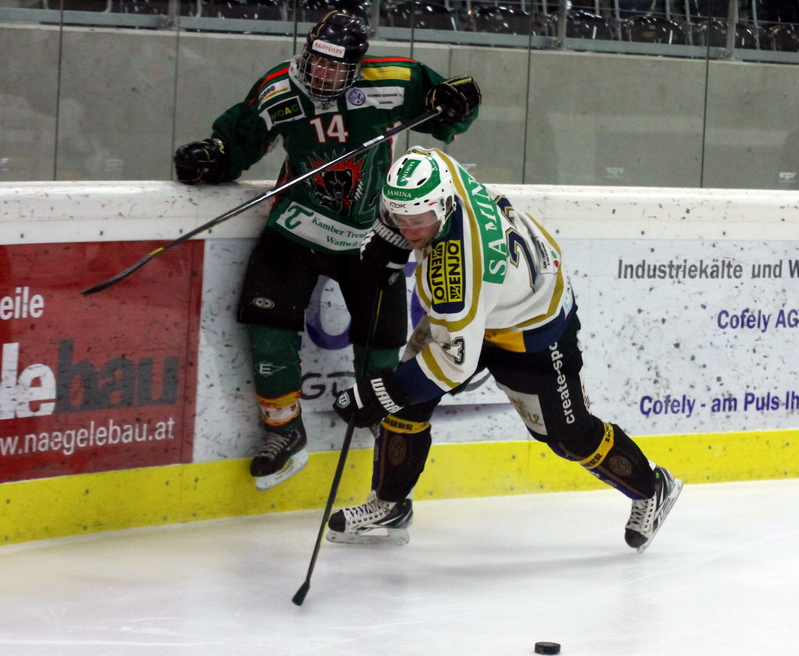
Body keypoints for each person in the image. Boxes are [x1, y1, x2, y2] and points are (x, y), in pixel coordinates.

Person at [173, 11, 481, 491]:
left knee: (381, 343)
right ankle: (285, 432)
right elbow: (238, 143)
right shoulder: (278, 88)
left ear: (357, 66)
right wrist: (214, 157)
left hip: (370, 236)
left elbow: (448, 115)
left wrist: (458, 104)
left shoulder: (395, 80)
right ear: (307, 51)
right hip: (296, 229)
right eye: (318, 60)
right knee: (267, 328)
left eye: (337, 66)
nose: (324, 73)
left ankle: (385, 427)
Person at [328, 147, 683, 552]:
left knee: (567, 435)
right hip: (485, 305)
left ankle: (652, 487)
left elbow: (453, 365)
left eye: (417, 221)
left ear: (443, 207)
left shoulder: (458, 273)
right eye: (400, 218)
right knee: (408, 404)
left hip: (532, 327)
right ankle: (389, 505)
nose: (409, 230)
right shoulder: (438, 172)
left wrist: (382, 391)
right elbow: (425, 155)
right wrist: (389, 232)